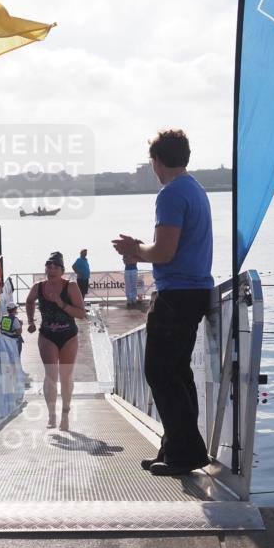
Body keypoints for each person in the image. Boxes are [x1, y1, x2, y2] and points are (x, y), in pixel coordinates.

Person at [113, 128, 212, 476]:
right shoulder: (195, 189)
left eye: (152, 161)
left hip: (176, 295)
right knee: (178, 372)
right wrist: (142, 250)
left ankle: (185, 454)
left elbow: (165, 252)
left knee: (159, 372)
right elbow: (173, 247)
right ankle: (175, 449)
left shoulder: (171, 194)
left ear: (157, 161)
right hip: (194, 292)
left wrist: (135, 249)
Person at [25, 251, 87, 431]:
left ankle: (65, 414)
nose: (51, 269)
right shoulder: (38, 287)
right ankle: (52, 414)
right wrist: (30, 321)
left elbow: (81, 314)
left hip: (69, 336)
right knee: (51, 374)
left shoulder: (71, 286)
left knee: (65, 376)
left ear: (62, 271)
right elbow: (29, 301)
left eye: (56, 267)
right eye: (49, 266)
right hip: (47, 335)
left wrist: (62, 304)